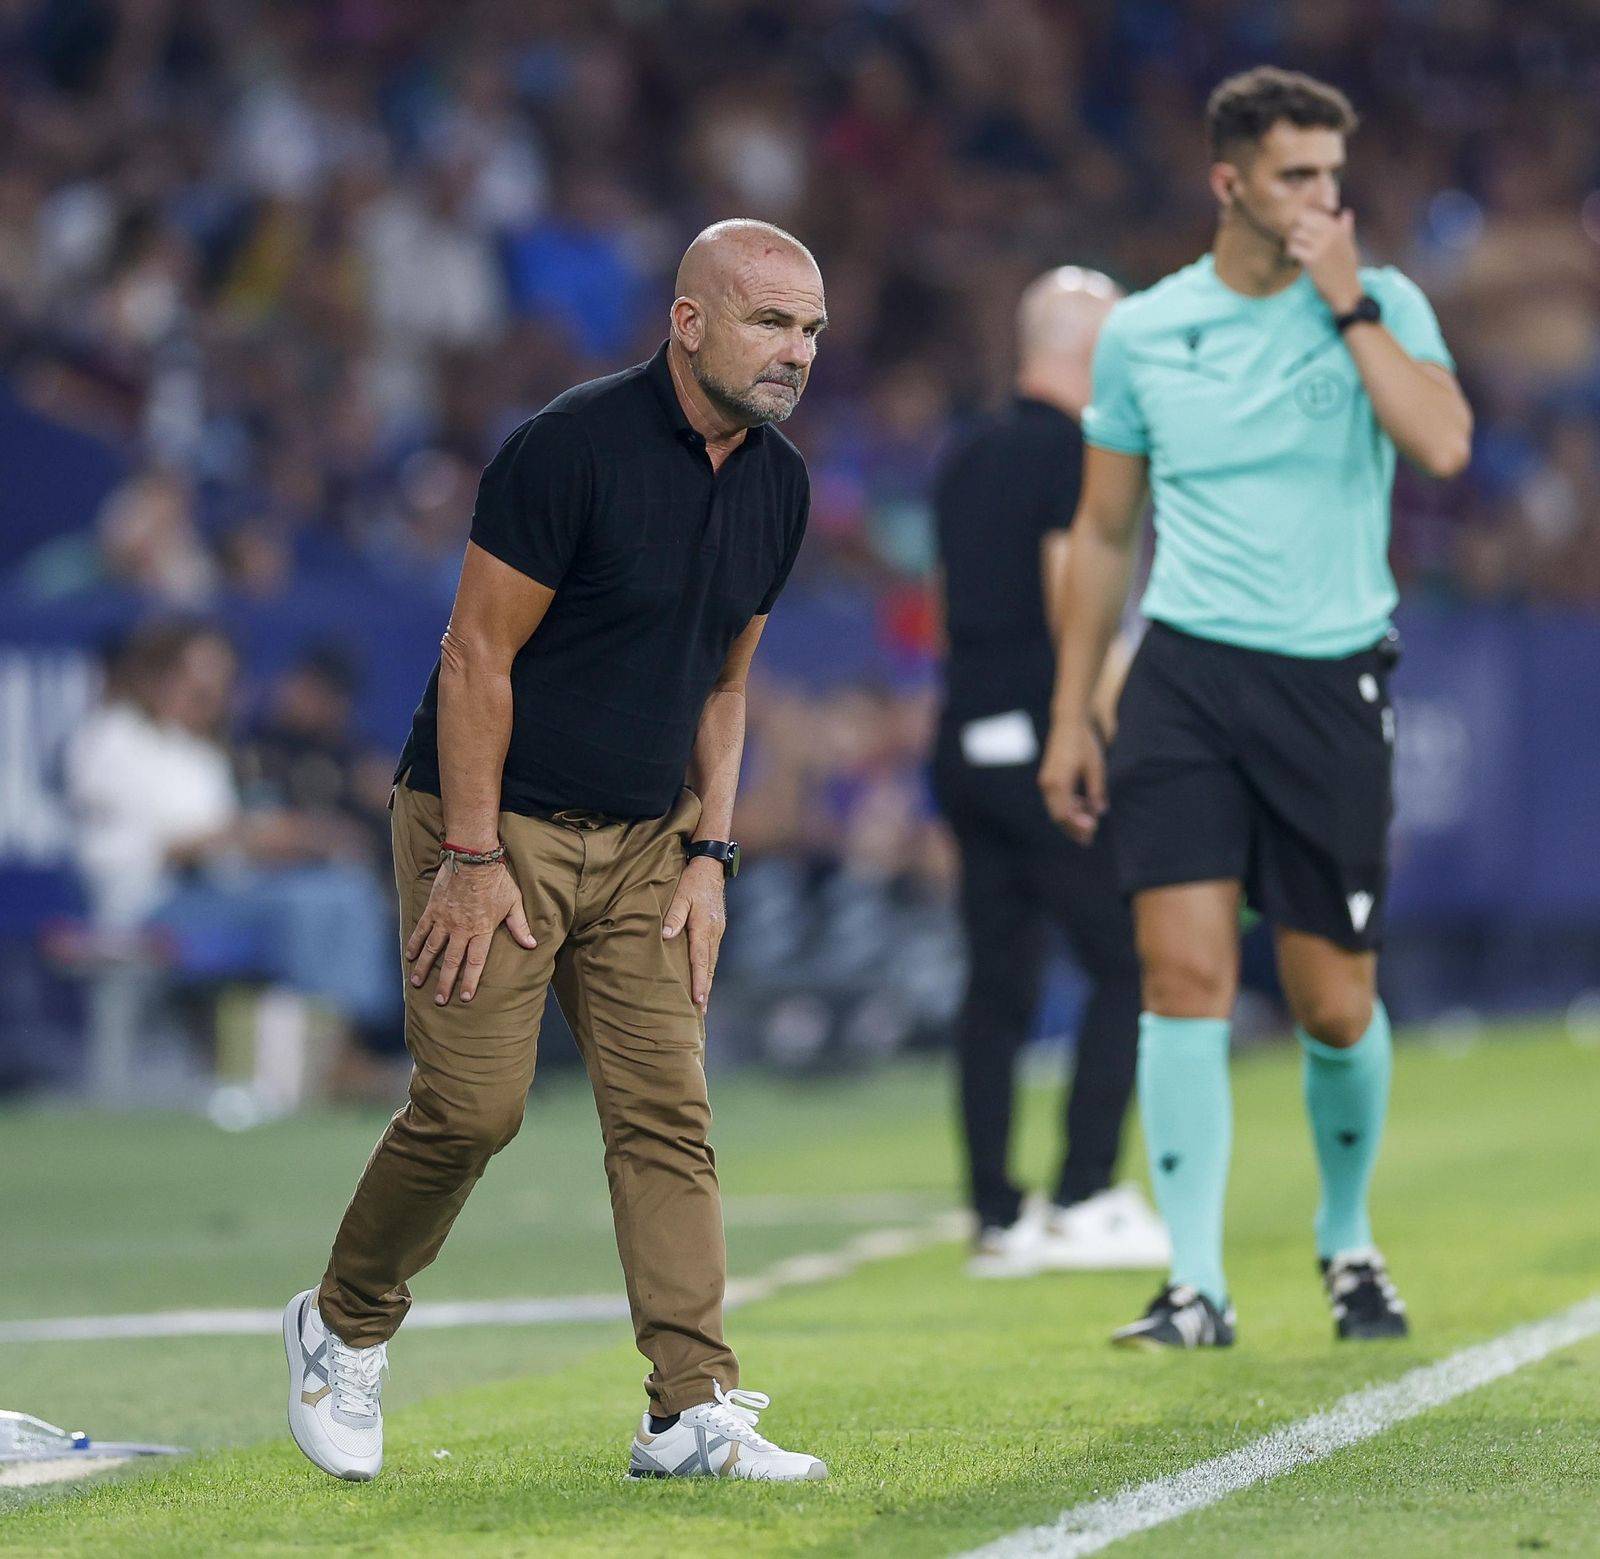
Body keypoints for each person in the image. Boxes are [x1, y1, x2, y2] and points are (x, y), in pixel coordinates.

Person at [283, 219, 830, 1482]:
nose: (796, 352)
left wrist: (712, 853)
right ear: (688, 321)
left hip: (649, 843)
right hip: (496, 824)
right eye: (769, 321)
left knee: (667, 1112)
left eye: (809, 330)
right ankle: (342, 1323)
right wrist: (471, 856)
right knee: (471, 1110)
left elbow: (725, 685)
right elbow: (475, 654)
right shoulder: (569, 445)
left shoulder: (781, 483)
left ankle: (688, 1405)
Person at [1038, 68, 1471, 1349]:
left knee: (1332, 1003)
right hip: (1184, 678)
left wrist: (1347, 305)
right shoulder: (1145, 330)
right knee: (1182, 975)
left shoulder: (1383, 302)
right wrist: (1072, 710)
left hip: (1329, 681)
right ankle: (1196, 1283)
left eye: (1333, 175)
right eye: (1296, 175)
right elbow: (1103, 530)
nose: (1323, 198)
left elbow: (1442, 443)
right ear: (1228, 182)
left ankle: (1347, 1237)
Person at [930, 267, 1170, 1278]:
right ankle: (1083, 1193)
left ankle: (997, 1212)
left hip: (965, 738)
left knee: (998, 978)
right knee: (1126, 957)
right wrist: (1112, 732)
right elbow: (1079, 607)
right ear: (1088, 349)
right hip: (1043, 746)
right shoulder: (1074, 450)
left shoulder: (965, 451)